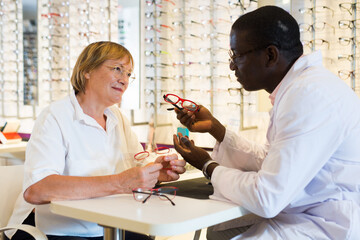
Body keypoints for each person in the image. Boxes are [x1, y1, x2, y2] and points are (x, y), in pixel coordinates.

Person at [173, 5, 360, 240]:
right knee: (219, 231)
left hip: (325, 224)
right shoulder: (299, 88)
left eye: (237, 55)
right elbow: (271, 161)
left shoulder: (308, 95)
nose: (232, 66)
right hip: (302, 210)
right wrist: (215, 128)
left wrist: (207, 165)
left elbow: (267, 197)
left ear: (270, 55)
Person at [6, 41, 186, 240]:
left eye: (128, 74)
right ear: (87, 71)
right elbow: (37, 190)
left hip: (116, 225)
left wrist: (155, 172)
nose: (124, 79)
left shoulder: (118, 119)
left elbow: (138, 162)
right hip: (64, 232)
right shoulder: (55, 117)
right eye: (117, 69)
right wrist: (120, 182)